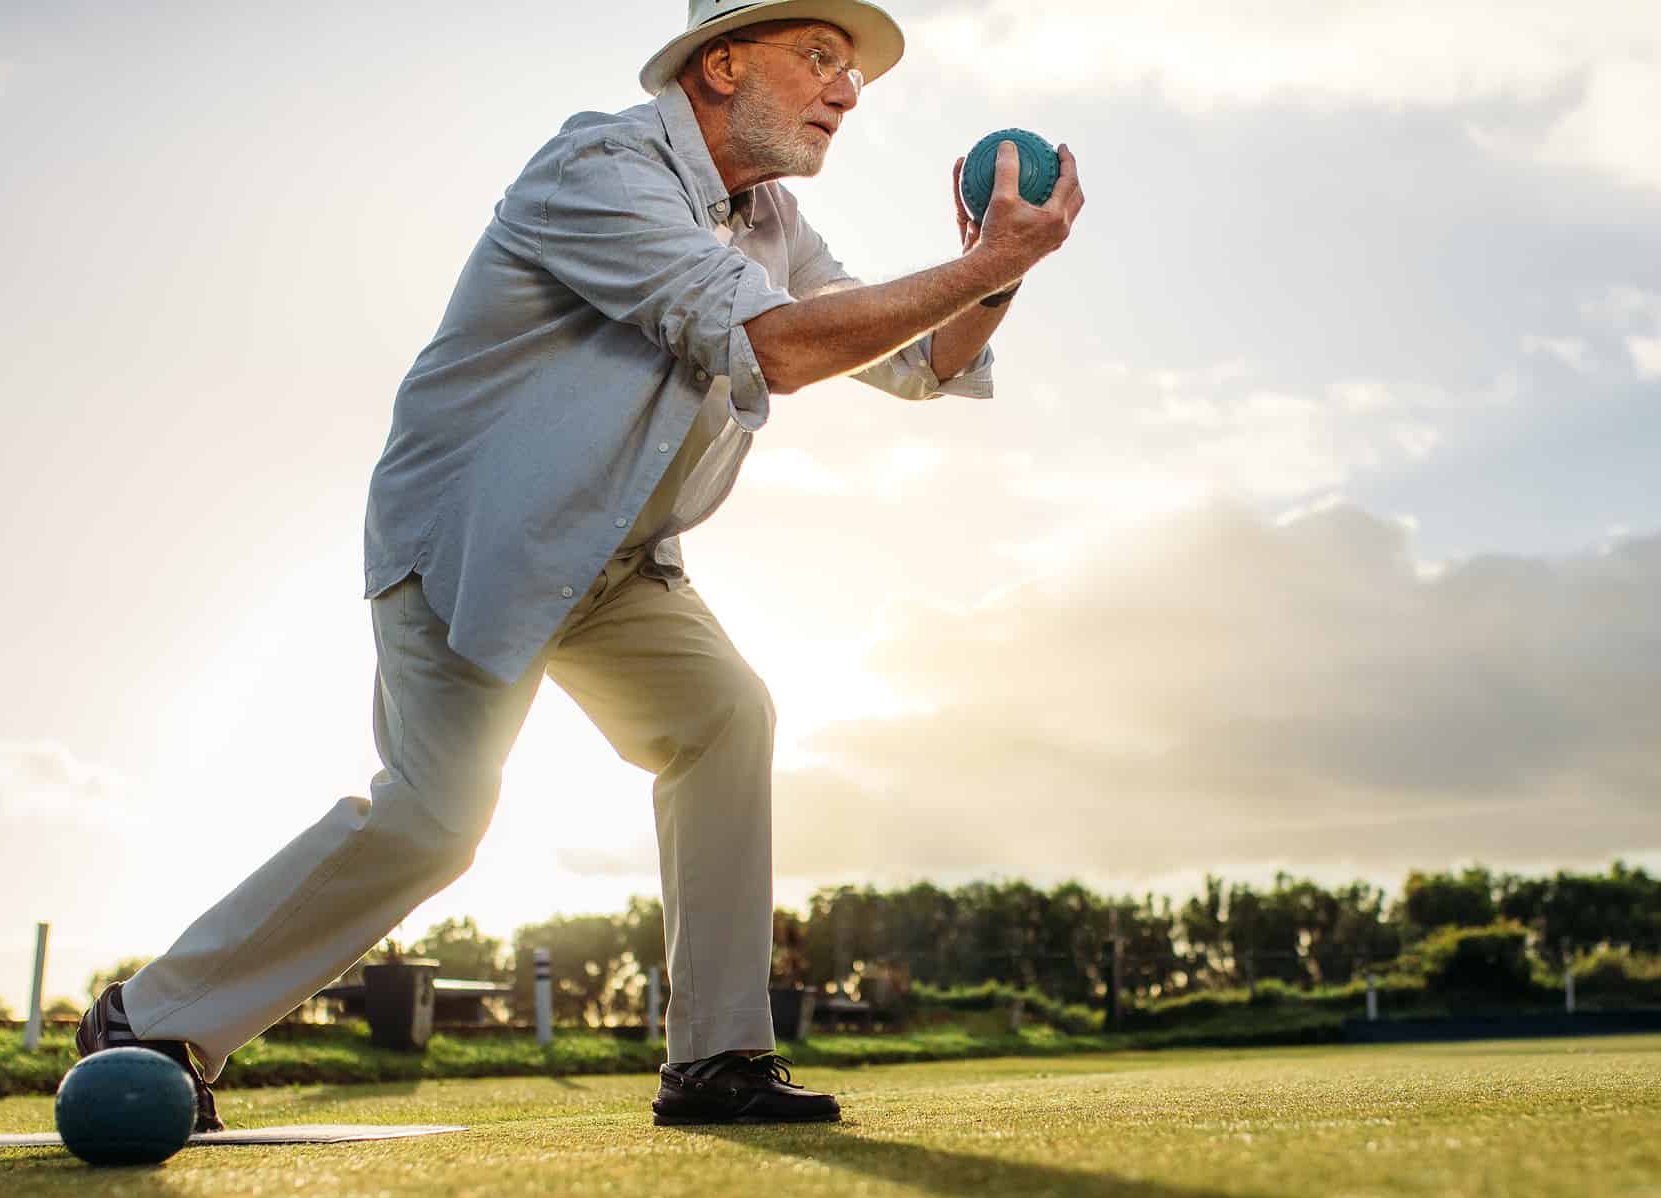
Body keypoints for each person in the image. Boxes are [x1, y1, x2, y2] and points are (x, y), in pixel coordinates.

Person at [76, 0, 1087, 1129]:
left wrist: (995, 268)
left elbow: (914, 364)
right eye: (817, 58)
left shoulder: (773, 221)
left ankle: (716, 1063)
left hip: (621, 567)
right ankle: (149, 1018)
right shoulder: (599, 167)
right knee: (435, 821)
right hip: (479, 541)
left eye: (850, 71)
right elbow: (774, 349)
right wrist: (987, 262)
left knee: (724, 718)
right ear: (719, 63)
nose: (846, 90)